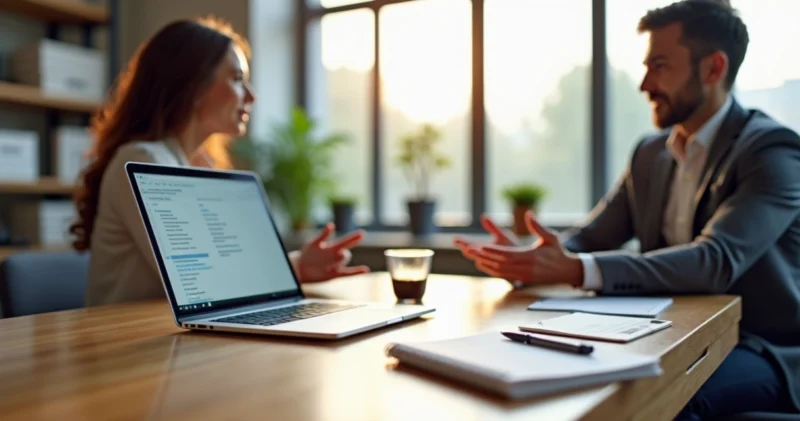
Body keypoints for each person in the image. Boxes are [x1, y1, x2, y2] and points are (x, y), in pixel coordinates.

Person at [456, 1, 799, 419]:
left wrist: (574, 269)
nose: (644, 84)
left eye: (660, 66)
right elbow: (592, 237)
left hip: (762, 345)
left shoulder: (772, 151)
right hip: (665, 331)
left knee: (666, 397)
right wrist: (542, 257)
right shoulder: (650, 153)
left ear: (713, 68)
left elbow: (715, 260)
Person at [70, 17, 369, 307]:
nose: (251, 96)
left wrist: (299, 266)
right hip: (125, 345)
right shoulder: (140, 160)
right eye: (238, 79)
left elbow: (226, 272)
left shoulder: (193, 166)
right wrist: (295, 266)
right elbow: (202, 278)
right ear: (193, 86)